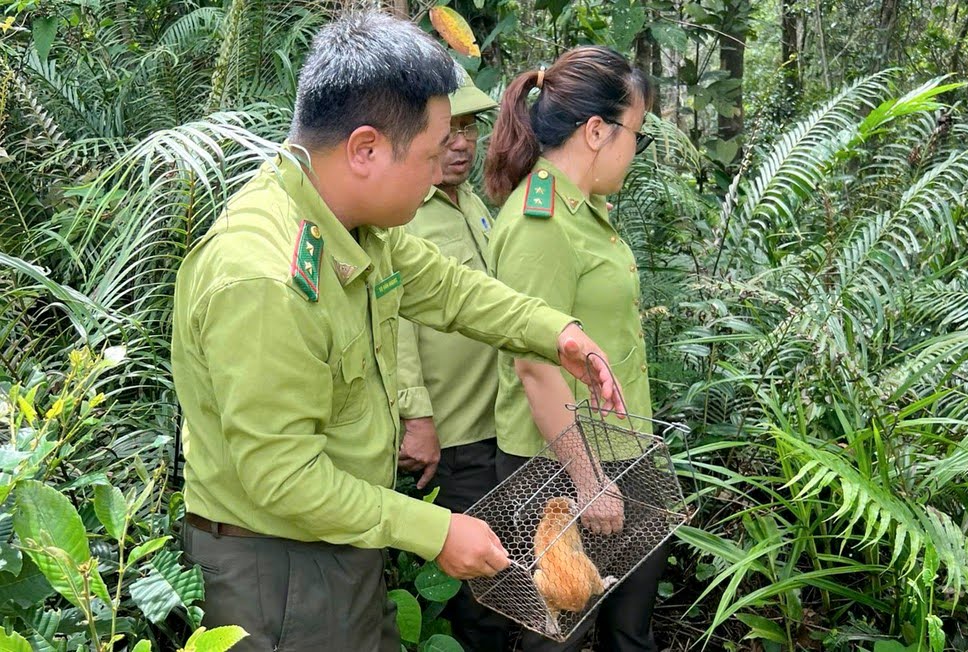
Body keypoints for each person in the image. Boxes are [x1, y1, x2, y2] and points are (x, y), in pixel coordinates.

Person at [171, 15, 624, 652]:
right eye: (434, 151)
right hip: (279, 569)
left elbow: (450, 289)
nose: (448, 164)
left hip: (342, 541)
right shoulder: (265, 279)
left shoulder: (356, 227)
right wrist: (436, 532)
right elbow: (282, 476)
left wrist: (559, 334)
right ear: (366, 149)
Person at [483, 46, 662, 652]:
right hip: (558, 470)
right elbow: (535, 367)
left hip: (623, 453)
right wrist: (588, 481)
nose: (635, 150)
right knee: (556, 633)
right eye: (635, 133)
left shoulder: (587, 213)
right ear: (595, 131)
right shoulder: (542, 224)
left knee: (628, 630)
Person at [395, 70, 513, 651]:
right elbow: (393, 323)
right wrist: (416, 416)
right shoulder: (402, 213)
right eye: (450, 129)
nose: (462, 142)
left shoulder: (474, 204)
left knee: (503, 567)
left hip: (499, 421)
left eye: (470, 127)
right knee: (475, 591)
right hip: (451, 430)